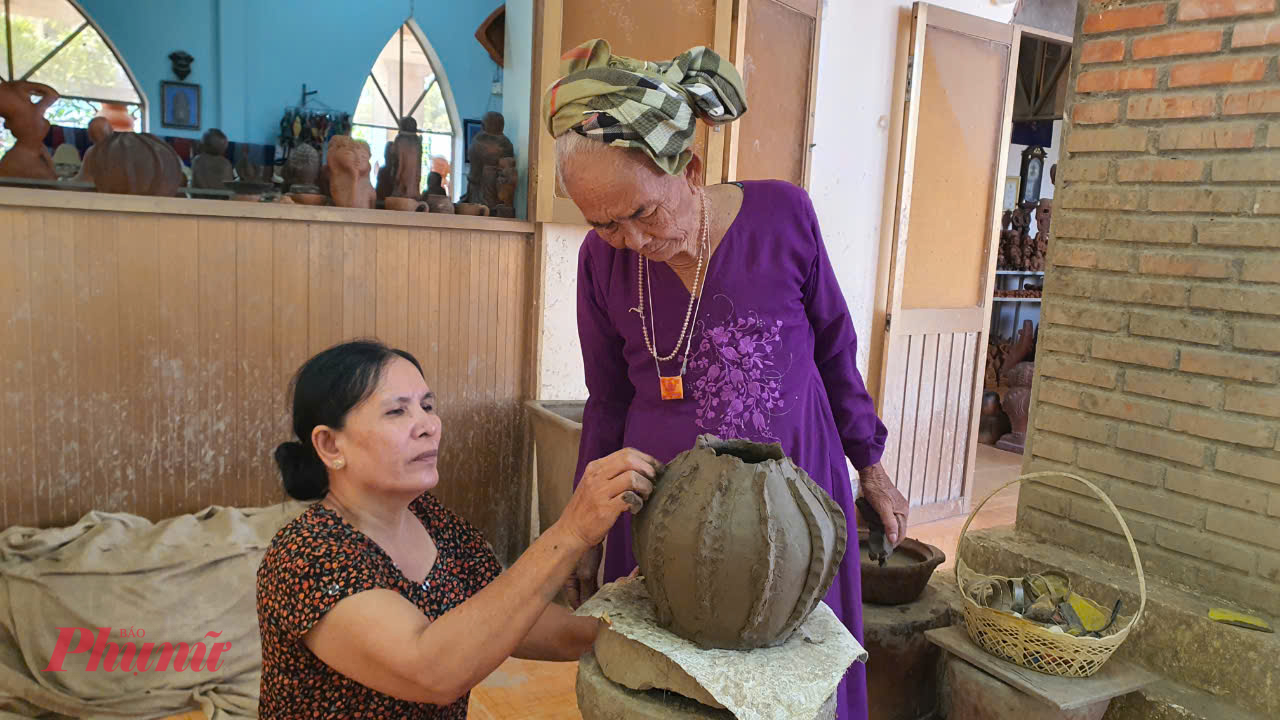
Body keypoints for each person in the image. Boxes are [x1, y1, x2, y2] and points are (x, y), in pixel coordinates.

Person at [542, 39, 911, 720]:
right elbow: (609, 400)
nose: (628, 240)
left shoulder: (783, 216)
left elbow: (835, 348)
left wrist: (872, 465)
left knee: (795, 678)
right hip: (662, 509)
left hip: (789, 502)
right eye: (602, 223)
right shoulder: (601, 263)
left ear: (688, 167)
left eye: (642, 212)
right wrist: (582, 528)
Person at [256, 340, 656, 719]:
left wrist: (637, 622)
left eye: (427, 406)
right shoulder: (307, 554)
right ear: (330, 446)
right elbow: (431, 671)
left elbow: (516, 620)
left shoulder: (436, 524)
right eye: (397, 412)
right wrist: (571, 532)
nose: (428, 425)